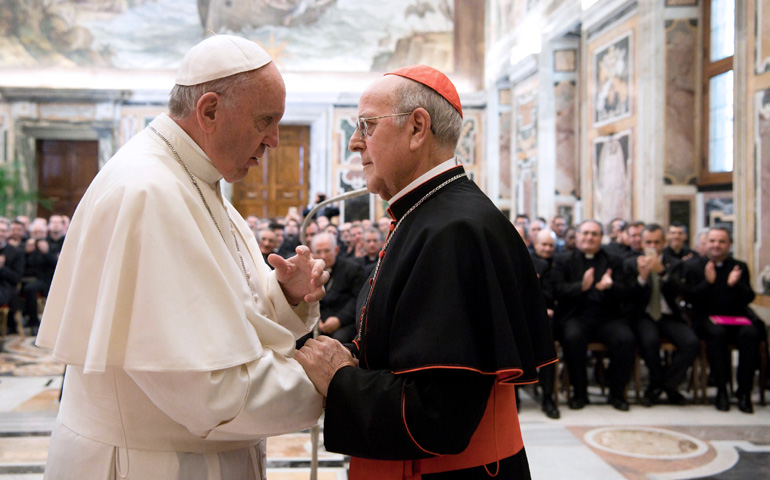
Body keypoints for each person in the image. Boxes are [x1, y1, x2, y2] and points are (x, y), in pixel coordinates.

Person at [35, 34, 329, 480]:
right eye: (265, 120)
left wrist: (284, 298)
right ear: (209, 111)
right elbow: (208, 392)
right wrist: (332, 387)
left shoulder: (192, 178)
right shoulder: (149, 191)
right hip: (147, 465)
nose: (272, 139)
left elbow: (223, 317)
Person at [295, 65, 555, 479]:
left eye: (366, 125)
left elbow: (438, 415)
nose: (354, 142)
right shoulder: (429, 215)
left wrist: (342, 379)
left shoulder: (455, 231)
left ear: (418, 128)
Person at [551, 219, 635, 411]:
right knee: (572, 338)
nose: (589, 237)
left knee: (626, 339)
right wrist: (581, 287)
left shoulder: (613, 260)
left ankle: (617, 394)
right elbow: (557, 290)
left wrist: (610, 286)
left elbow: (626, 291)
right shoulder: (564, 259)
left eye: (594, 234)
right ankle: (580, 394)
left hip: (607, 317)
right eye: (585, 233)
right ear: (577, 236)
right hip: (576, 317)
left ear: (601, 238)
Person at [681, 227, 764, 413]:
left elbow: (748, 297)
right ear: (706, 243)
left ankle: (744, 392)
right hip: (706, 319)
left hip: (736, 319)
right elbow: (690, 299)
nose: (716, 245)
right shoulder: (694, 266)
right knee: (717, 334)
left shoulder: (738, 266)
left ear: (729, 244)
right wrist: (708, 283)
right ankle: (721, 391)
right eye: (712, 241)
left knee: (751, 333)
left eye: (721, 241)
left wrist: (735, 285)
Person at [623, 224, 698, 406]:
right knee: (649, 342)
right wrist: (641, 278)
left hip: (669, 315)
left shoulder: (675, 263)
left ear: (664, 242)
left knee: (691, 343)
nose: (653, 246)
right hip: (644, 315)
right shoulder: (630, 263)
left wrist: (662, 272)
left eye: (657, 242)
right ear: (641, 243)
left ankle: (665, 385)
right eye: (648, 242)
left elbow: (681, 292)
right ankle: (660, 385)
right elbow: (627, 297)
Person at [297, 232, 364, 346]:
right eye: (318, 252)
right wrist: (317, 320)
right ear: (312, 253)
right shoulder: (307, 272)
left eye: (327, 251)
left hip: (345, 321)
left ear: (336, 250)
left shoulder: (353, 269)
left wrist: (339, 320)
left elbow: (357, 300)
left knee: (338, 340)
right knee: (298, 340)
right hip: (315, 321)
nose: (323, 256)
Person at [530, 229, 560, 419]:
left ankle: (548, 396)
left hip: (550, 318)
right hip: (526, 316)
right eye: (544, 245)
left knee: (549, 345)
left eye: (551, 246)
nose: (547, 249)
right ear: (535, 244)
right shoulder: (527, 260)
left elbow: (553, 295)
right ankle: (514, 395)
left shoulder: (559, 262)